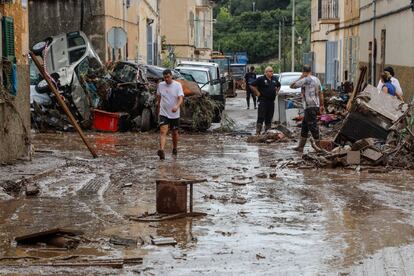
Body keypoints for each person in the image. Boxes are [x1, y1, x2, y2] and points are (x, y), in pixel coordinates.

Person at [290, 65, 324, 153]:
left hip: (309, 106)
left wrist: (300, 77)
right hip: (315, 105)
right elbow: (321, 92)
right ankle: (300, 146)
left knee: (313, 126)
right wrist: (321, 105)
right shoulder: (317, 79)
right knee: (305, 126)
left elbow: (292, 86)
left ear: (303, 71)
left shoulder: (305, 79)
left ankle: (320, 147)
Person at [156, 69, 184, 160]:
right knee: (163, 131)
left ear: (171, 76)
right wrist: (158, 109)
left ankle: (175, 148)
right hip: (163, 112)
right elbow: (159, 98)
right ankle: (162, 151)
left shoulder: (177, 85)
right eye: (165, 77)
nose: (166, 79)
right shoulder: (160, 85)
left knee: (174, 133)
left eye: (168, 77)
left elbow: (180, 98)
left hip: (174, 113)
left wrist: (177, 106)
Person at [250, 66, 281, 135]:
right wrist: (257, 93)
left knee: (269, 117)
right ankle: (258, 132)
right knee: (261, 116)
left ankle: (267, 132)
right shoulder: (261, 79)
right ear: (266, 72)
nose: (271, 72)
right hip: (263, 101)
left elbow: (279, 85)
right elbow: (252, 85)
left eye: (272, 71)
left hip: (271, 101)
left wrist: (276, 92)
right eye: (270, 71)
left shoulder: (274, 79)